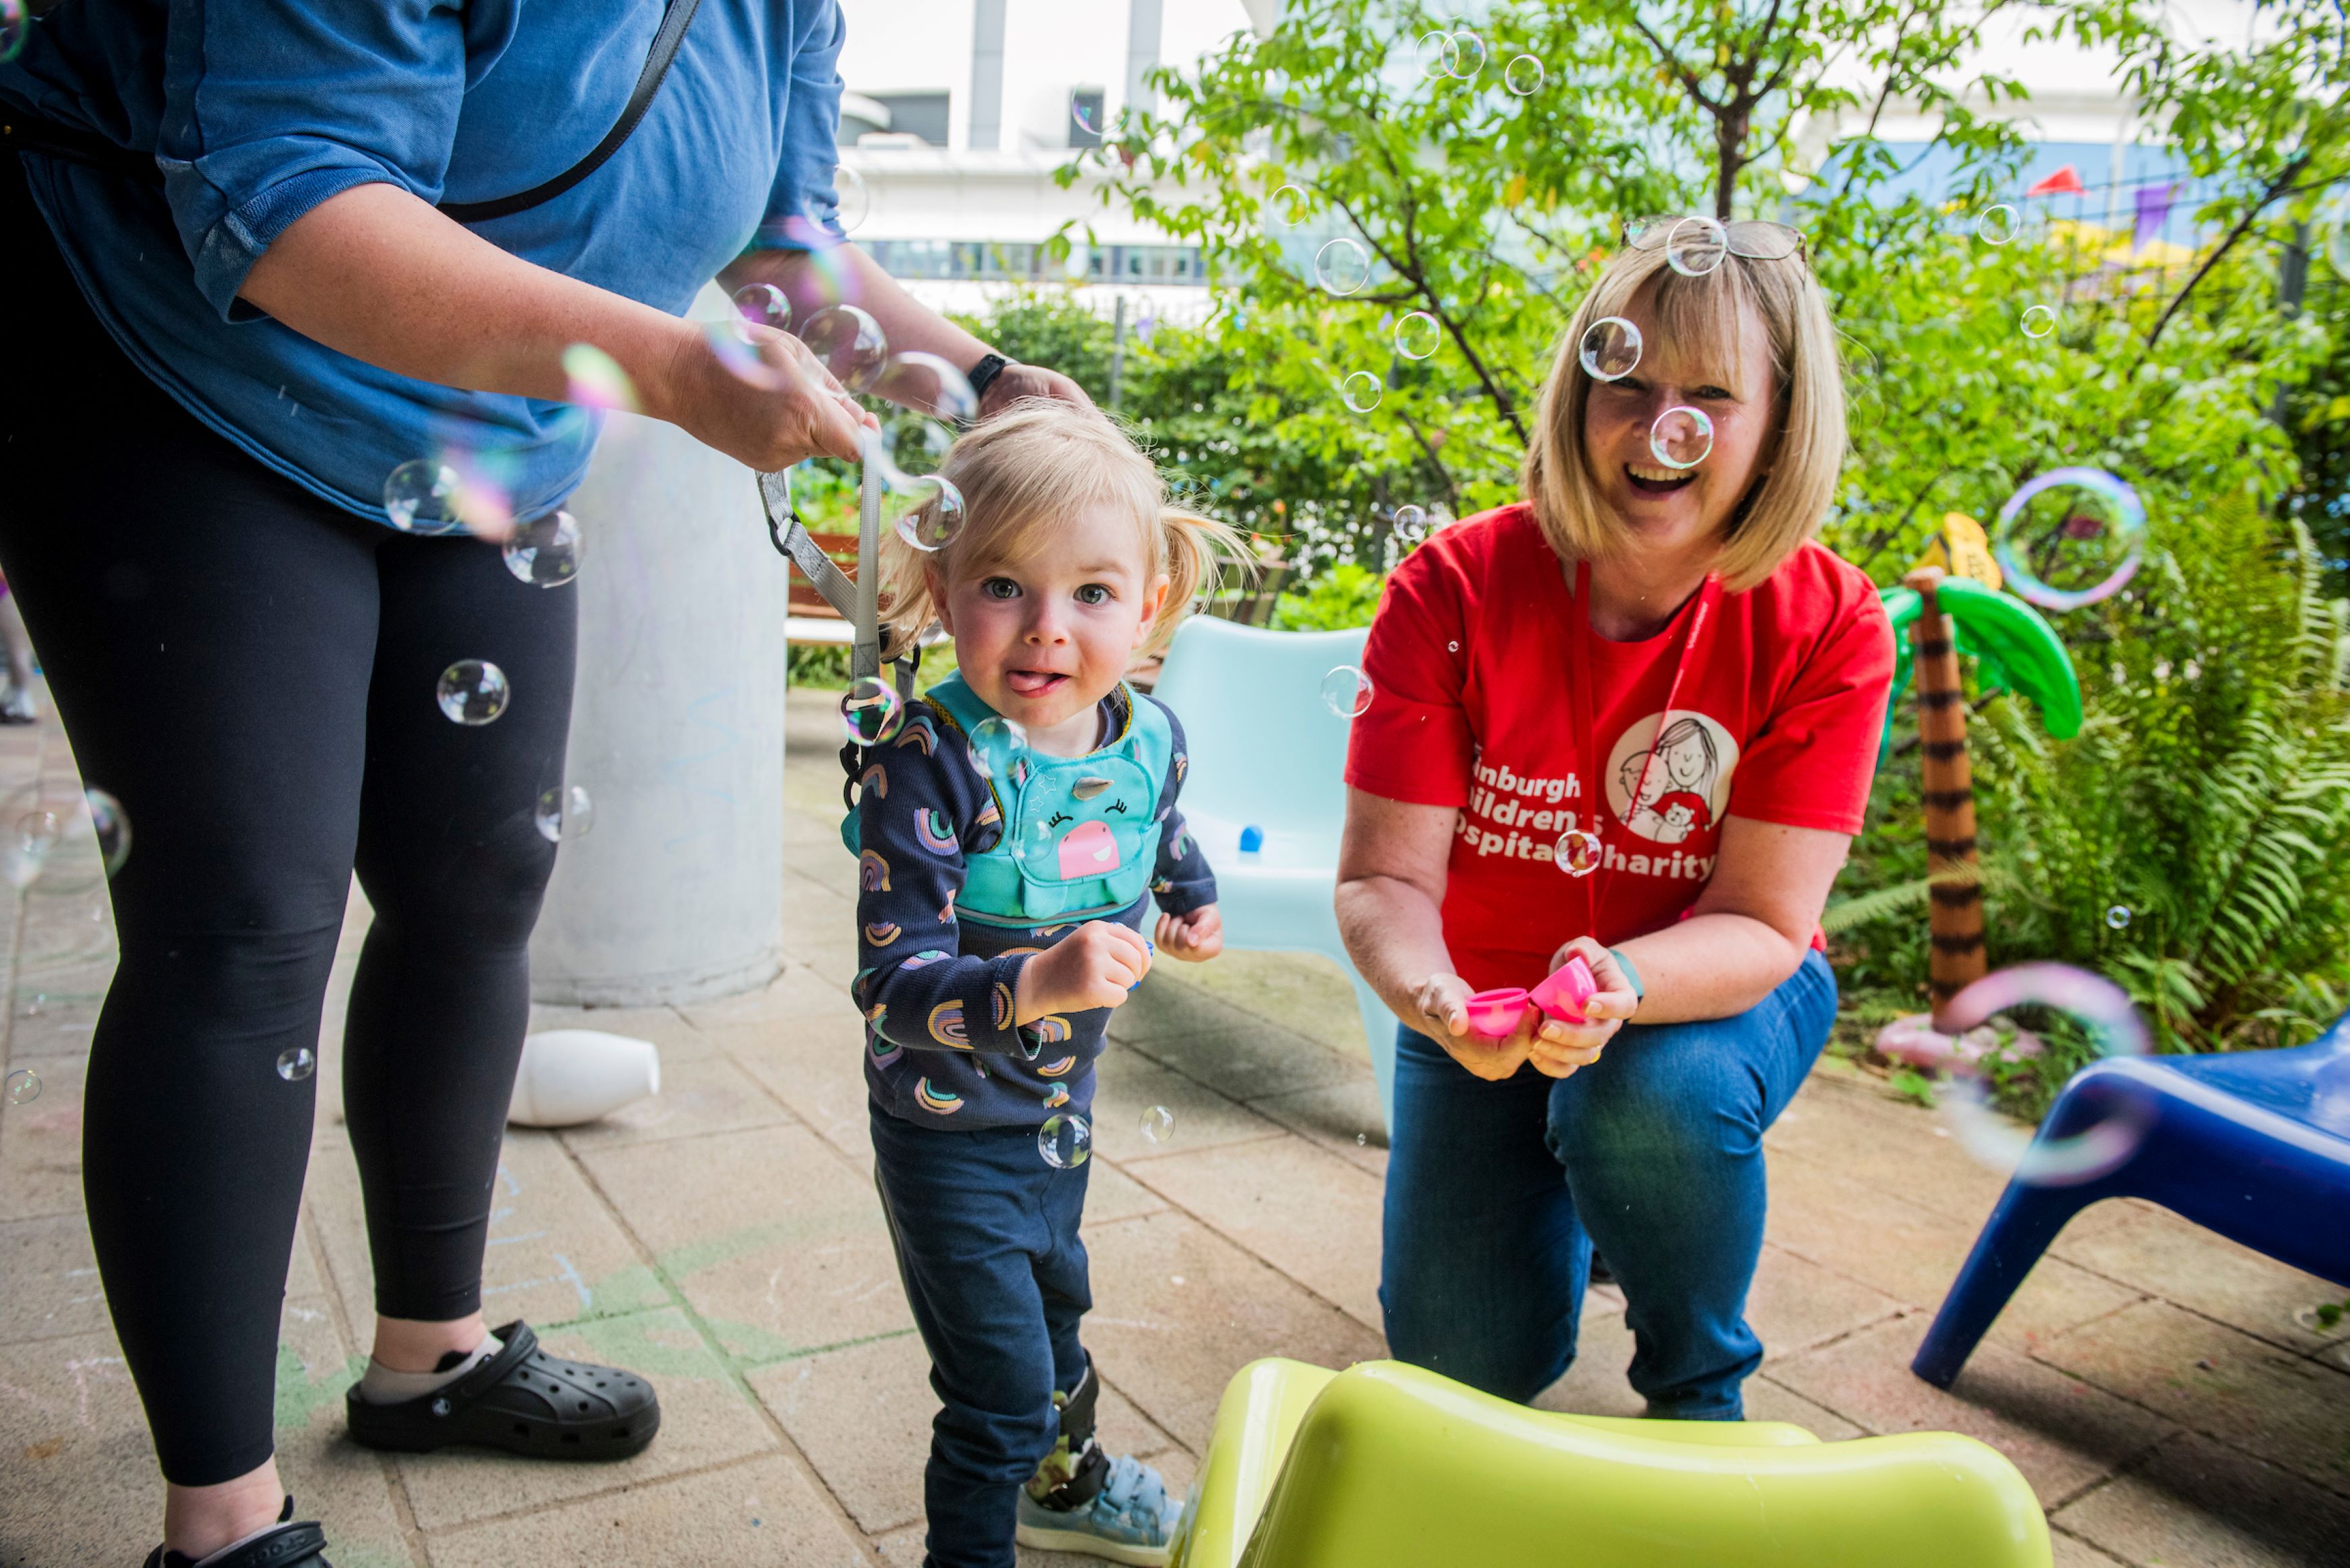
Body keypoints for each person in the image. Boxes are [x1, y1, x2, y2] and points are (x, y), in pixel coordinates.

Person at [0, 5, 1085, 1565]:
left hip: (481, 421)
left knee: (479, 876)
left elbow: (786, 252)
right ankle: (221, 1521)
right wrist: (657, 361)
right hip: (176, 357)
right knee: (240, 924)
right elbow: (288, 185)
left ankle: (430, 1357)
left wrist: (986, 383)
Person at [1335, 219, 1895, 1420]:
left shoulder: (1831, 623)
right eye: (1624, 385)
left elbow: (1761, 919)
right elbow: (1385, 885)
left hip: (1712, 990)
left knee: (1643, 1100)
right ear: (1577, 392)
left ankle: (1700, 1384)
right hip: (1480, 1007)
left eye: (1707, 397)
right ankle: (1585, 1190)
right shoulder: (1455, 585)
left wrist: (1616, 983)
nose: (1657, 432)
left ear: (1780, 421)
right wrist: (1439, 1003)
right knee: (1459, 1370)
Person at [851, 401, 1235, 1568]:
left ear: (1150, 603)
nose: (1046, 632)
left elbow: (1152, 826)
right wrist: (1033, 981)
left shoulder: (1149, 734)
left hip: (1060, 1120)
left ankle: (1065, 1489)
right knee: (997, 1400)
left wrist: (1191, 891)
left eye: (1094, 595)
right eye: (1005, 585)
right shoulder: (931, 757)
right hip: (949, 1130)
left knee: (1057, 1330)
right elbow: (890, 984)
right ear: (943, 581)